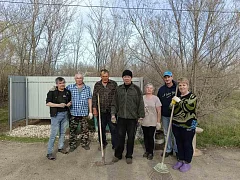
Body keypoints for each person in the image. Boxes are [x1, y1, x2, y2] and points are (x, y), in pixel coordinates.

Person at [111, 70, 145, 164]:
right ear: (122, 78)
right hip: (121, 117)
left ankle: (129, 155)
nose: (126, 78)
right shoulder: (119, 89)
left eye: (128, 76)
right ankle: (118, 155)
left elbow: (140, 104)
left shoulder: (136, 89)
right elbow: (114, 103)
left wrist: (141, 116)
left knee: (131, 138)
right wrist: (113, 115)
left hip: (132, 119)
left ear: (131, 78)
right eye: (125, 76)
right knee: (120, 137)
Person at [171, 77, 197, 172]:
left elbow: (189, 108)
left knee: (187, 144)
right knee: (179, 143)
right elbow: (173, 110)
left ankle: (187, 162)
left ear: (187, 86)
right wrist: (172, 103)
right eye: (180, 85)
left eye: (184, 85)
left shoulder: (192, 97)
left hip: (189, 125)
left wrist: (179, 101)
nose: (182, 87)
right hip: (176, 124)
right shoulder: (177, 96)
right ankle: (180, 160)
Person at [46, 77, 72, 160]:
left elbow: (70, 101)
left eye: (63, 83)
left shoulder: (67, 92)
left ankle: (60, 148)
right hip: (56, 115)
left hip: (65, 114)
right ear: (57, 84)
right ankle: (49, 153)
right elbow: (48, 103)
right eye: (60, 83)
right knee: (53, 134)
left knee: (63, 132)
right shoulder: (52, 92)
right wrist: (59, 105)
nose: (62, 84)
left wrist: (68, 104)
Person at [92, 69, 118, 150]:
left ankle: (115, 144)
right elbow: (94, 98)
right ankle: (102, 143)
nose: (105, 78)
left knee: (113, 128)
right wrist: (94, 109)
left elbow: (117, 97)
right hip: (101, 110)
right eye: (103, 76)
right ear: (101, 76)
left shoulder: (113, 84)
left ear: (108, 76)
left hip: (111, 111)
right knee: (101, 128)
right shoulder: (97, 85)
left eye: (106, 76)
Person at [66, 73, 93, 151]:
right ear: (75, 79)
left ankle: (84, 144)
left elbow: (90, 100)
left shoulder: (87, 88)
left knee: (85, 130)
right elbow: (63, 93)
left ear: (83, 79)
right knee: (72, 130)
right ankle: (72, 145)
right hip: (73, 113)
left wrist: (90, 111)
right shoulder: (70, 87)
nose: (79, 79)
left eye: (80, 78)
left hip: (84, 113)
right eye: (77, 78)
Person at [157, 71, 178, 157]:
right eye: (165, 77)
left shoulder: (177, 88)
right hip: (165, 115)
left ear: (172, 77)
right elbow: (158, 103)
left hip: (175, 115)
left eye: (168, 77)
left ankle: (176, 150)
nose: (167, 79)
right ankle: (168, 149)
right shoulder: (161, 89)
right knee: (166, 133)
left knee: (175, 133)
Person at [141, 83, 162, 160]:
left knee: (150, 136)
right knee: (145, 137)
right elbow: (139, 109)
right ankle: (147, 151)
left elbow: (159, 111)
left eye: (150, 88)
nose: (149, 89)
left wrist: (158, 122)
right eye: (147, 88)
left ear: (153, 90)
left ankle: (151, 152)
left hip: (152, 121)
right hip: (144, 121)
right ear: (145, 89)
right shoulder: (142, 98)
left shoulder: (156, 98)